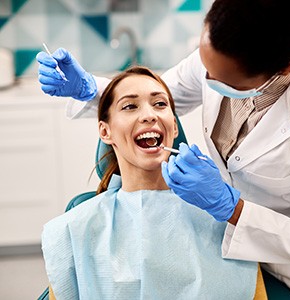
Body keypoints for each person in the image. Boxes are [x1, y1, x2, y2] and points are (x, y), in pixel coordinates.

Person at [36, 0, 290, 299]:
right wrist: (89, 90)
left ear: (285, 67)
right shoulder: (75, 229)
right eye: (203, 61)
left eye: (220, 79)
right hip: (225, 241)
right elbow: (155, 94)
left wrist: (231, 208)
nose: (204, 75)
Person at [41, 66, 265, 300]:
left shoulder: (226, 222)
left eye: (160, 104)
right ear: (105, 132)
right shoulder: (73, 231)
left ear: (174, 127)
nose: (150, 115)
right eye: (129, 106)